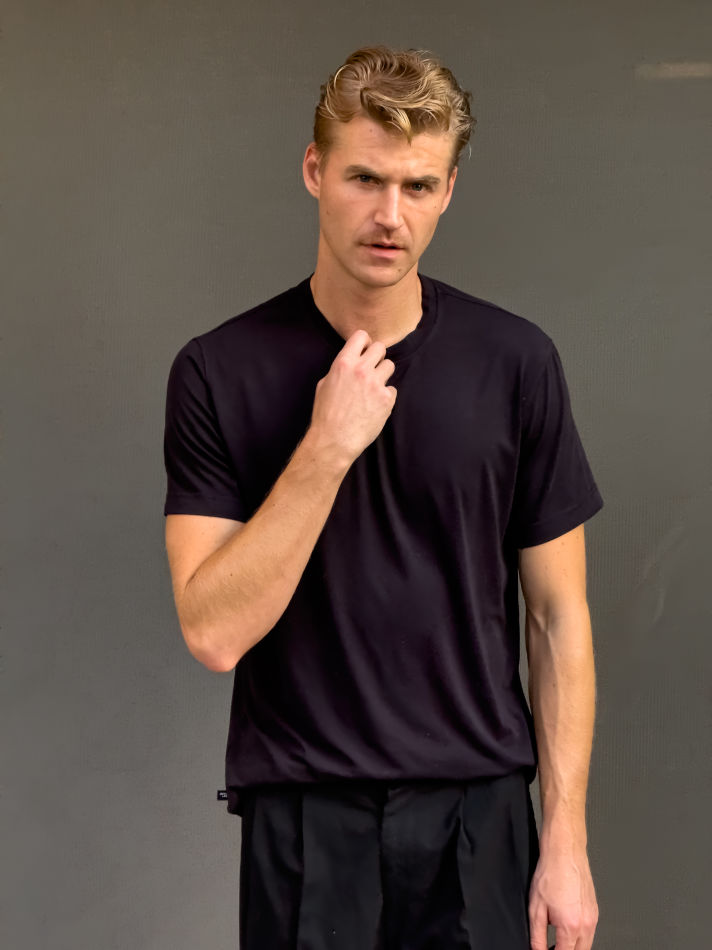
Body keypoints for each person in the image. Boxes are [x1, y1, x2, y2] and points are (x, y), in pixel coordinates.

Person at [162, 45, 603, 950]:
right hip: (305, 818)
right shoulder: (218, 369)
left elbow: (558, 616)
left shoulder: (516, 362)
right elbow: (212, 632)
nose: (389, 215)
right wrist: (325, 449)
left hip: (478, 816)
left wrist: (566, 841)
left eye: (418, 185)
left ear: (448, 191)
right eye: (365, 178)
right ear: (315, 171)